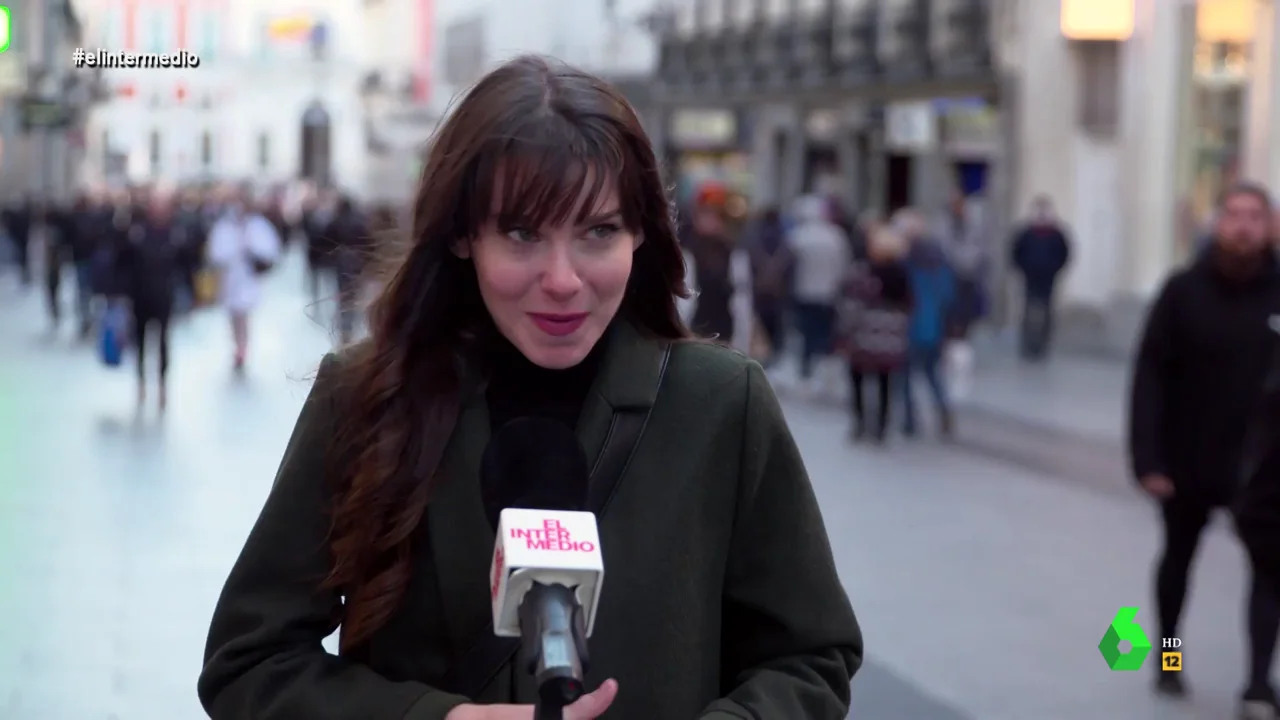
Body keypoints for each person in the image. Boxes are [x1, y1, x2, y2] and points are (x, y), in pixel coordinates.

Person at [197, 55, 862, 720]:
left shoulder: (723, 404)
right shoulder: (365, 397)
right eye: (522, 234)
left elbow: (810, 660)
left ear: (640, 235)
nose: (564, 279)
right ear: (463, 235)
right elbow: (248, 664)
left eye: (598, 233)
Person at [1129, 183, 1280, 717]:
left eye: (1254, 217)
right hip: (1187, 461)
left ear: (1270, 227)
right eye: (1233, 215)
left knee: (1270, 575)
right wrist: (1147, 459)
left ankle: (1259, 683)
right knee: (1177, 567)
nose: (1242, 226)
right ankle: (1168, 662)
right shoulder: (1182, 291)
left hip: (1265, 472)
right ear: (1218, 224)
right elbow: (1149, 376)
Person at [835, 225, 912, 443]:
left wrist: (844, 332)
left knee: (858, 379)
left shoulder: (862, 272)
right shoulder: (901, 275)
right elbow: (910, 305)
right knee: (885, 383)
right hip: (890, 339)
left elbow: (850, 304)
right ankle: (881, 426)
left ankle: (859, 423)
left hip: (863, 336)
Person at [117, 192, 184, 409]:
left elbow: (184, 262)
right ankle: (141, 383)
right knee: (141, 342)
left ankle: (162, 385)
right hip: (141, 296)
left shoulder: (174, 233)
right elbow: (124, 261)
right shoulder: (138, 233)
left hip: (163, 296)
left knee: (163, 342)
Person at [207, 192, 282, 371]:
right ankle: (237, 344)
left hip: (248, 278)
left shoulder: (257, 225)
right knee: (234, 314)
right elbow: (216, 252)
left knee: (244, 314)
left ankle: (243, 348)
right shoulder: (224, 226)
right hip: (229, 278)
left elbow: (269, 250)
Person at [898, 210, 956, 438]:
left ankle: (910, 421)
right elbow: (948, 296)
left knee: (905, 378)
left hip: (911, 328)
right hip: (934, 328)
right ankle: (943, 413)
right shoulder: (939, 263)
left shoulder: (906, 265)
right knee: (933, 376)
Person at [787, 194, 851, 395]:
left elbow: (788, 267)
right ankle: (823, 375)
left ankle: (806, 373)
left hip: (803, 292)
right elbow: (844, 267)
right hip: (828, 293)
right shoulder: (836, 236)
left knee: (806, 333)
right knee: (824, 334)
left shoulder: (798, 236)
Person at [1010, 196, 1070, 360]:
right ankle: (1027, 345)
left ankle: (1043, 345)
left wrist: (1055, 269)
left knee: (1047, 313)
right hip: (1030, 277)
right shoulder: (1027, 233)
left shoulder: (1056, 234)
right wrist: (1023, 268)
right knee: (1029, 311)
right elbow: (1015, 252)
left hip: (1048, 279)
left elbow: (1065, 254)